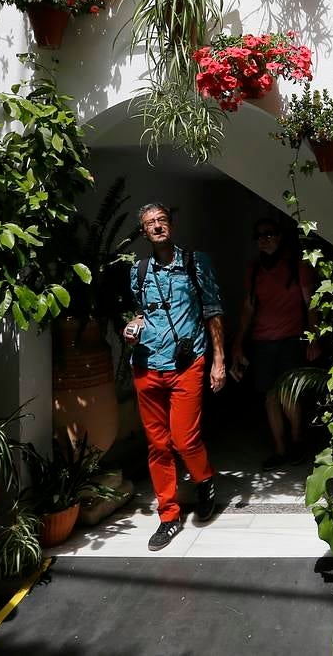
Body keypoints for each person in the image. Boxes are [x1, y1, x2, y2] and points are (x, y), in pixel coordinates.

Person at [122, 203, 226, 551]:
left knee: (185, 440)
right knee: (158, 445)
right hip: (146, 364)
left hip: (187, 363)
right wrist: (134, 326)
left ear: (171, 225)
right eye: (150, 223)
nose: (156, 227)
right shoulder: (138, 271)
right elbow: (140, 312)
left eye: (161, 221)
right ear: (144, 231)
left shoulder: (196, 263)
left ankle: (204, 478)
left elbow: (213, 311)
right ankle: (168, 515)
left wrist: (219, 360)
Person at [230, 217, 319, 469]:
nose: (264, 239)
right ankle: (280, 449)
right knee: (270, 397)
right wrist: (238, 343)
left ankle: (297, 442)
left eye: (269, 234)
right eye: (259, 235)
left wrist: (314, 338)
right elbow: (248, 306)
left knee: (289, 395)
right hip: (262, 341)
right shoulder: (254, 269)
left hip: (291, 339)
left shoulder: (297, 265)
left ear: (280, 236)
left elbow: (310, 302)